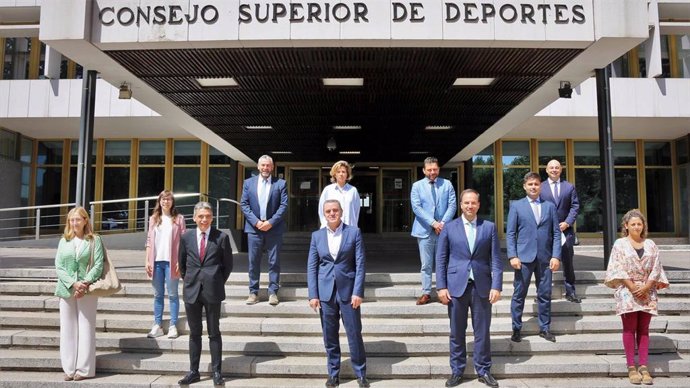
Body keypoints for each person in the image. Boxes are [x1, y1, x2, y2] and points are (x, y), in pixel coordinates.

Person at [436, 189, 502, 388]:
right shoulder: (449, 227)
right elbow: (441, 259)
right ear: (461, 205)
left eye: (473, 203)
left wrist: (497, 285)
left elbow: (496, 260)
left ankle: (483, 370)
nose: (470, 206)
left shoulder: (488, 227)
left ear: (479, 205)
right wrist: (441, 287)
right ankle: (457, 371)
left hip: (482, 287)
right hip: (456, 287)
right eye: (466, 203)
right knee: (457, 331)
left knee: (482, 331)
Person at [307, 199, 369, 388]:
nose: (332, 213)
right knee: (330, 336)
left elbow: (360, 264)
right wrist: (313, 294)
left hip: (349, 292)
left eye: (335, 210)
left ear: (341, 212)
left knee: (354, 334)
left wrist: (358, 291)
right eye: (328, 211)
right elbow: (312, 266)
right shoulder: (317, 236)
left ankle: (360, 374)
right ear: (324, 214)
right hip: (325, 294)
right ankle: (333, 374)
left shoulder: (354, 232)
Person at [604, 209, 669, 385]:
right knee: (629, 327)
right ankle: (631, 366)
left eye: (639, 224)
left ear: (643, 226)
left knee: (644, 329)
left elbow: (656, 268)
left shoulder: (651, 245)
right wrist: (633, 287)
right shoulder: (619, 244)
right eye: (633, 224)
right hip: (627, 290)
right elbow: (617, 267)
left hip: (647, 290)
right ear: (626, 226)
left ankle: (644, 366)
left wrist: (647, 287)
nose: (636, 226)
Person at [177, 202, 233, 386]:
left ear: (212, 218)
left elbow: (228, 265)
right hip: (192, 289)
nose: (204, 220)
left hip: (212, 290)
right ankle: (194, 371)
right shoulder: (186, 237)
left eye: (207, 216)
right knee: (194, 333)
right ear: (194, 218)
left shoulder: (222, 237)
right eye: (201, 216)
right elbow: (182, 264)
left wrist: (215, 280)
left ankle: (217, 372)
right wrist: (190, 279)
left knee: (214, 332)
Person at [506, 172, 561, 343]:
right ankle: (516, 328)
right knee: (519, 294)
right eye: (530, 184)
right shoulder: (516, 206)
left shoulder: (550, 206)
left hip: (545, 259)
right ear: (524, 186)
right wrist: (512, 255)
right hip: (523, 258)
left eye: (536, 184)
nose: (533, 187)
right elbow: (511, 233)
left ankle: (544, 328)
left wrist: (556, 256)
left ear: (541, 186)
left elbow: (556, 234)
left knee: (544, 294)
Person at [54, 206, 104, 381]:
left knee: (86, 328)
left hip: (87, 290)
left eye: (77, 219)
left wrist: (83, 283)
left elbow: (98, 264)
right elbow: (59, 266)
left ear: (85, 221)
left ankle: (84, 370)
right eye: (71, 220)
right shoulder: (64, 241)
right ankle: (69, 369)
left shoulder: (94, 240)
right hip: (67, 289)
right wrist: (73, 283)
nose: (74, 223)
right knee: (67, 329)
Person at [240, 154, 288, 305]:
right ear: (258, 167)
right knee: (253, 261)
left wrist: (271, 222)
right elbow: (244, 204)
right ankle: (253, 292)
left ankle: (273, 292)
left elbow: (284, 205)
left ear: (272, 167)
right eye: (263, 165)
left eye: (268, 165)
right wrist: (256, 222)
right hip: (254, 229)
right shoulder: (248, 183)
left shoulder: (281, 183)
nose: (265, 168)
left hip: (274, 229)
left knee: (274, 261)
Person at [410, 156, 457, 305]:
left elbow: (452, 205)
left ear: (438, 169)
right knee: (426, 264)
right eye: (429, 169)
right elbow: (416, 207)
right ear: (424, 170)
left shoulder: (447, 184)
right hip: (424, 231)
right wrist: (433, 223)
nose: (432, 172)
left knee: (444, 262)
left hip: (443, 230)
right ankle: (426, 292)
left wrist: (442, 223)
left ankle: (444, 291)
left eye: (435, 169)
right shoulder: (417, 186)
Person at [145, 190, 186, 339]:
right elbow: (149, 240)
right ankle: (157, 325)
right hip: (156, 262)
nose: (166, 202)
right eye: (163, 199)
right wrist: (147, 260)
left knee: (173, 294)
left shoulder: (179, 219)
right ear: (159, 201)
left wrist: (181, 262)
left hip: (172, 262)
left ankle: (173, 325)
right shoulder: (154, 219)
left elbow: (184, 242)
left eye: (168, 199)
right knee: (158, 295)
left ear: (172, 202)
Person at [540, 159, 581, 303]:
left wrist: (567, 222)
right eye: (551, 168)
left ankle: (571, 292)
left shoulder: (569, 187)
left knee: (567, 261)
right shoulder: (540, 187)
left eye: (557, 167)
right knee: (544, 262)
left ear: (561, 170)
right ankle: (543, 293)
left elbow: (575, 206)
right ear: (546, 170)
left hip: (566, 231)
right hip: (546, 232)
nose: (554, 170)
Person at [318, 160, 361, 228]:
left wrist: (354, 228)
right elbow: (321, 210)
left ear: (347, 174)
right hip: (332, 230)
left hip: (349, 229)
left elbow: (356, 211)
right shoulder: (328, 190)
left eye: (343, 172)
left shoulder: (353, 191)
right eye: (338, 172)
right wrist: (325, 226)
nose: (341, 174)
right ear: (335, 174)